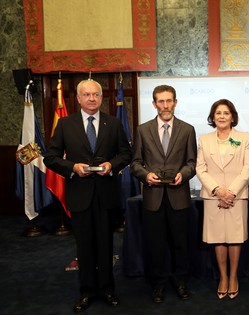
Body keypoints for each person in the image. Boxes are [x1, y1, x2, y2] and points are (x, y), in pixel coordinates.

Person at [44, 79, 132, 313]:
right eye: (87, 94)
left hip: (106, 194)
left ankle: (107, 289)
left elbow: (126, 154)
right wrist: (73, 168)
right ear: (78, 99)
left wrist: (110, 164)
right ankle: (87, 291)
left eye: (96, 94)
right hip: (79, 194)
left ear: (102, 98)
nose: (92, 98)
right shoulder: (65, 124)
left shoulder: (113, 124)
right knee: (84, 246)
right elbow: (50, 157)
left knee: (105, 243)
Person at [130, 85, 197, 304]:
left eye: (169, 101)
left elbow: (192, 162)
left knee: (180, 243)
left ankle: (180, 281)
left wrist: (183, 174)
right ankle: (157, 284)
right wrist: (146, 175)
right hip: (153, 197)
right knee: (155, 244)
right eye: (161, 101)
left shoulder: (187, 129)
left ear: (175, 102)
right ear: (154, 104)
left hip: (179, 195)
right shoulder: (142, 130)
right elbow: (136, 163)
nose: (165, 105)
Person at [196, 99, 249, 300]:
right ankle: (223, 277)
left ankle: (233, 277)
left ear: (233, 116)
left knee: (235, 238)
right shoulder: (204, 139)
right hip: (213, 197)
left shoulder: (245, 138)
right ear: (212, 117)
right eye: (218, 113)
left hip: (237, 197)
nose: (221, 116)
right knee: (218, 238)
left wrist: (231, 193)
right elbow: (200, 169)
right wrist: (218, 190)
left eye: (226, 113)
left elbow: (248, 168)